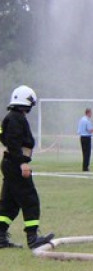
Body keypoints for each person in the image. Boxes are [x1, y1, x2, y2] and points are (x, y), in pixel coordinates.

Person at [0, 85, 54, 250]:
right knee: (30, 199)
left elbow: (4, 137)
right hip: (16, 165)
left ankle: (0, 237)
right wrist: (22, 162)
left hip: (10, 163)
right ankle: (33, 237)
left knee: (9, 204)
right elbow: (14, 142)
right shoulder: (16, 118)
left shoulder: (11, 117)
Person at [77, 107, 93, 172]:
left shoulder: (81, 119)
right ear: (88, 113)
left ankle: (84, 167)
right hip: (87, 138)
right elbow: (90, 130)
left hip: (82, 137)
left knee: (84, 153)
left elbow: (79, 130)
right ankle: (86, 168)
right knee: (87, 153)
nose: (91, 114)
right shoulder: (87, 120)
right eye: (91, 113)